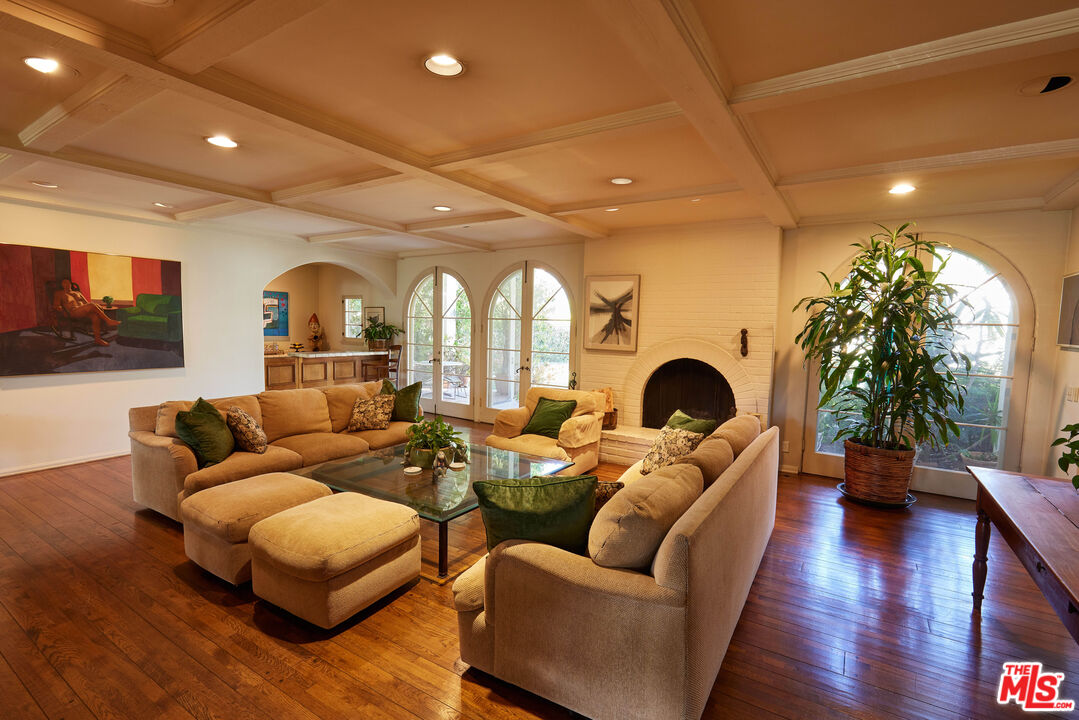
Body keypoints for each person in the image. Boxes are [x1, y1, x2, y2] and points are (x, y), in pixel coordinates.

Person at [52, 278, 120, 346]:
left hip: (82, 311)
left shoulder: (77, 293)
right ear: (62, 285)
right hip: (72, 312)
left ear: (71, 284)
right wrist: (59, 308)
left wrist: (93, 308)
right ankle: (108, 321)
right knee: (92, 305)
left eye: (68, 283)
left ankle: (98, 339)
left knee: (95, 316)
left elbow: (86, 303)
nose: (67, 284)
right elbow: (56, 305)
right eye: (64, 283)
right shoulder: (59, 293)